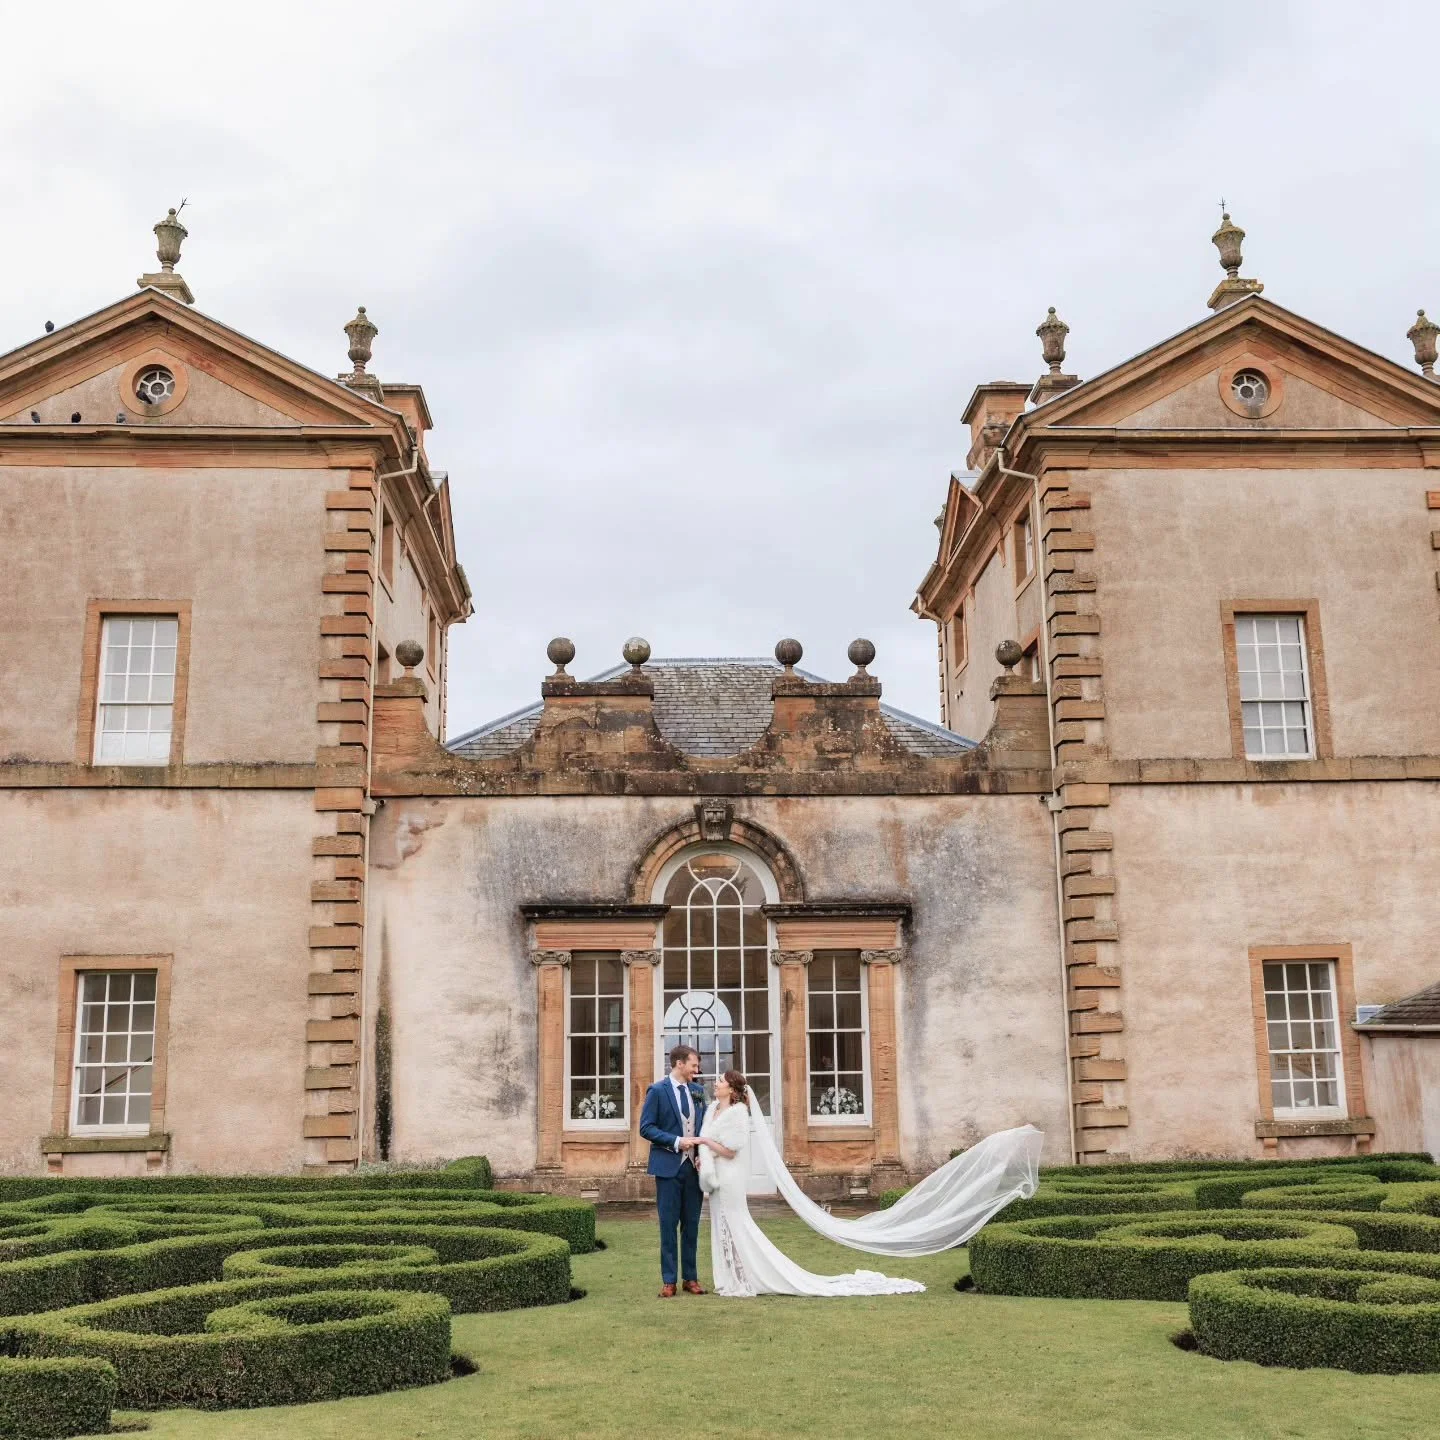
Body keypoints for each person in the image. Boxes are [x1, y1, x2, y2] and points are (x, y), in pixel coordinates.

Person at [695, 1069, 925, 1297]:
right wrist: (702, 1157)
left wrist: (703, 1142)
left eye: (721, 1081)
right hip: (714, 1174)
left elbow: (730, 1150)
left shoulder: (737, 1114)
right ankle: (729, 1277)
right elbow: (713, 1143)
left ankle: (742, 1277)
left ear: (731, 1089)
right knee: (720, 1223)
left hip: (730, 1177)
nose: (716, 1083)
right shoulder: (713, 1110)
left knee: (735, 1223)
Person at [638, 1043, 708, 1297]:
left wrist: (702, 1155)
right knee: (668, 1225)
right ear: (679, 1064)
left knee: (692, 1225)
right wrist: (677, 1141)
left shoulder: (698, 1091)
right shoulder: (657, 1091)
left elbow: (704, 1128)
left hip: (693, 1170)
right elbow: (646, 1128)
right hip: (668, 1168)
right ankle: (669, 1281)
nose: (696, 1071)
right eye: (693, 1065)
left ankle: (690, 1278)